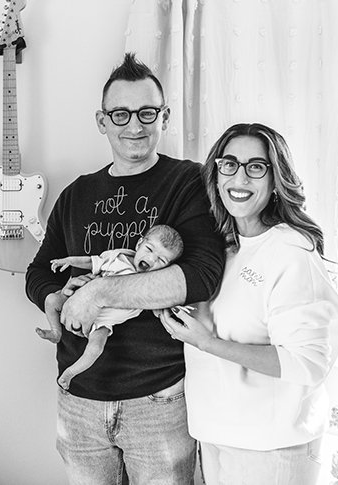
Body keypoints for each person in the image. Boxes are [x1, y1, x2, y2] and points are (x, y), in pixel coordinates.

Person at [25, 53, 225, 485]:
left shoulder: (189, 182)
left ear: (164, 116)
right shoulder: (77, 193)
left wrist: (99, 294)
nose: (134, 125)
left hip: (158, 401)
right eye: (121, 114)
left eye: (146, 112)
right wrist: (57, 298)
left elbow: (200, 277)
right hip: (78, 401)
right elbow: (39, 271)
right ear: (103, 121)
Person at [160, 123, 338, 485]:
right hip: (217, 438)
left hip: (272, 448)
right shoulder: (224, 248)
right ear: (216, 173)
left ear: (276, 180)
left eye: (255, 167)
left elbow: (306, 363)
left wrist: (207, 342)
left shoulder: (291, 252)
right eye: (229, 164)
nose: (239, 177)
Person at [37, 224, 184, 390]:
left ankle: (70, 373)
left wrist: (172, 314)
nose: (151, 259)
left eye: (161, 260)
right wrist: (68, 260)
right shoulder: (118, 258)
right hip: (78, 305)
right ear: (139, 245)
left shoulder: (155, 281)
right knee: (51, 300)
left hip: (104, 323)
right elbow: (90, 260)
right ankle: (56, 332)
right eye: (149, 249)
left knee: (95, 347)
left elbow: (162, 305)